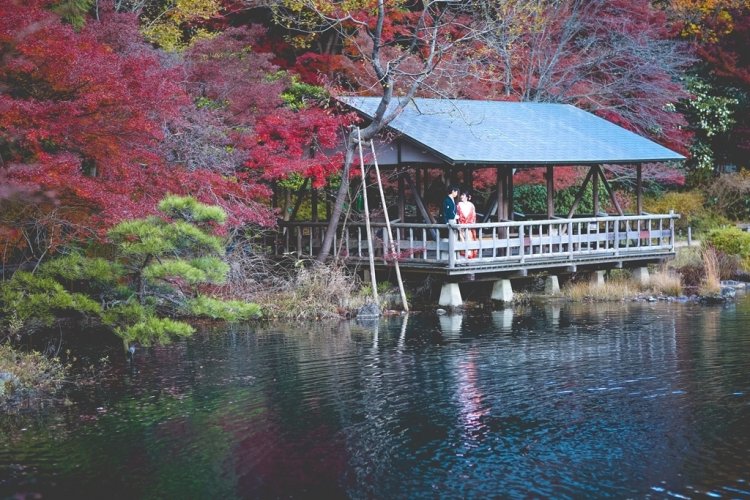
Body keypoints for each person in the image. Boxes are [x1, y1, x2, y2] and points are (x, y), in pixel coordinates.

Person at [457, 191, 478, 258]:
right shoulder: (459, 204)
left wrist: (472, 223)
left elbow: (474, 215)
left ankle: (469, 256)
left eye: (463, 195)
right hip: (461, 226)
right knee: (462, 240)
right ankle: (463, 257)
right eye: (461, 195)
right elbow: (457, 215)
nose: (461, 197)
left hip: (469, 226)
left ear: (467, 197)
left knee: (469, 240)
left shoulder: (471, 205)